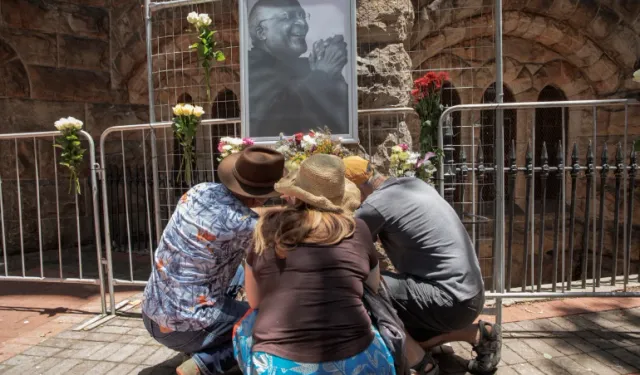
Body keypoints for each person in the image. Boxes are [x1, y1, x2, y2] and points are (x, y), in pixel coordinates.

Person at [232, 154, 395, 374]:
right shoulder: (357, 228)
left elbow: (255, 301)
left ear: (296, 193)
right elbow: (372, 288)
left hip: (278, 363)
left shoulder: (266, 228)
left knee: (245, 325)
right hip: (357, 356)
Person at [343, 156, 502, 375]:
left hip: (450, 301)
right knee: (401, 323)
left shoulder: (374, 206)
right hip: (470, 295)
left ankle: (419, 363)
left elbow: (345, 245)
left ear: (357, 189)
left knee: (364, 290)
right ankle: (477, 333)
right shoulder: (413, 184)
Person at [141, 146, 285, 375]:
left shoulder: (199, 191)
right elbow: (263, 241)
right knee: (266, 323)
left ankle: (205, 341)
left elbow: (248, 214)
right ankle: (205, 362)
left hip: (151, 309)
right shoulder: (247, 226)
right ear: (262, 195)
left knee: (235, 274)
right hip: (185, 328)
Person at [247, 0, 349, 137]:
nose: (303, 23)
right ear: (261, 32)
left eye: (302, 15)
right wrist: (322, 74)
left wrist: (330, 72)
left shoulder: (304, 66)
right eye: (287, 17)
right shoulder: (254, 68)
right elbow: (271, 121)